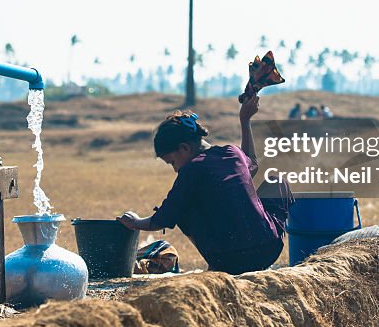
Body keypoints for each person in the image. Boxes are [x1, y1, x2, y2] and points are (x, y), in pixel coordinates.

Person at [118, 95, 293, 275]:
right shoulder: (232, 153)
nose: (175, 169)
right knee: (277, 181)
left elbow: (163, 219)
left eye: (172, 162)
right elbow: (253, 164)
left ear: (184, 148)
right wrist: (245, 120)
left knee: (182, 208)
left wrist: (135, 222)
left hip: (229, 260)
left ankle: (215, 265)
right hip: (269, 248)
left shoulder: (191, 170)